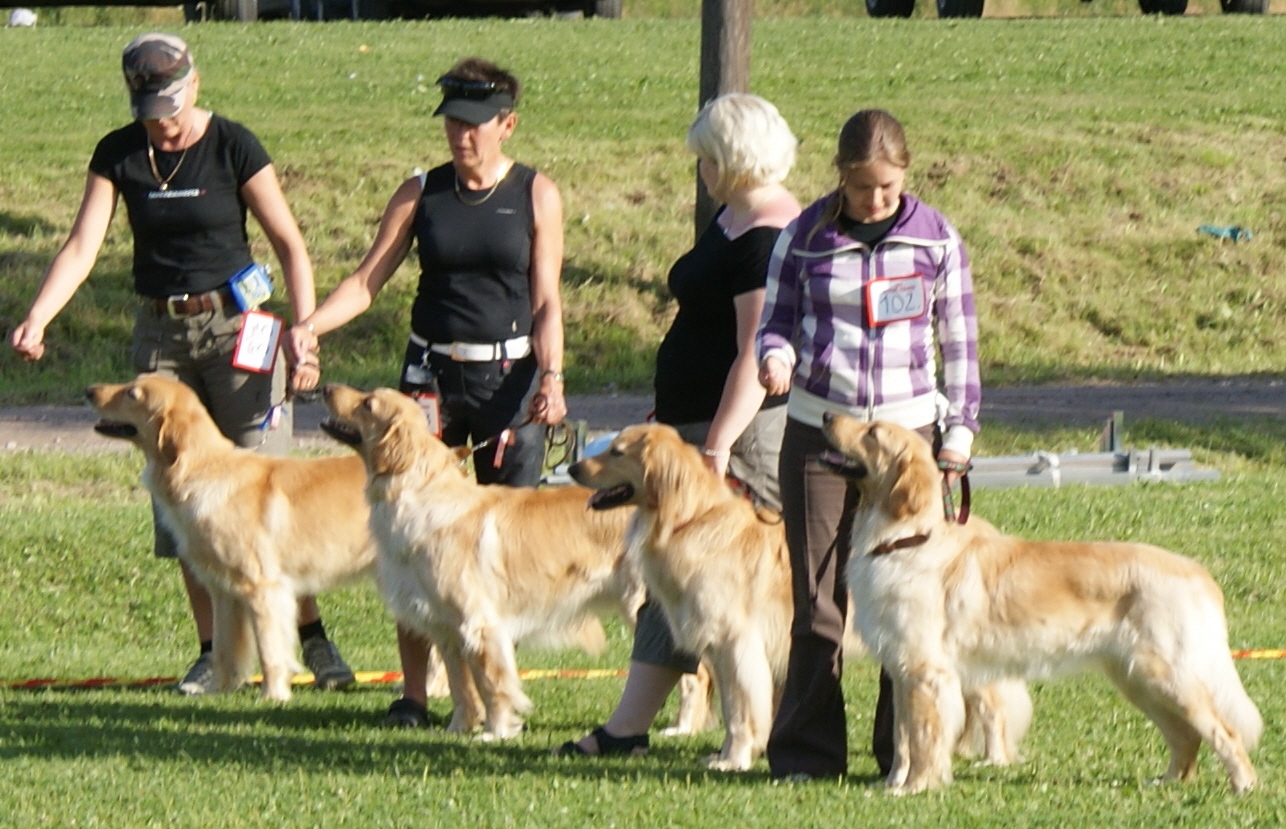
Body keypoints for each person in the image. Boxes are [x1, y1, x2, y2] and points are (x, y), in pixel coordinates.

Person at [7, 33, 355, 695]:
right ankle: (213, 652)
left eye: (169, 105)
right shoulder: (119, 153)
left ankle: (312, 639)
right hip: (160, 335)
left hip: (237, 331)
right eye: (149, 110)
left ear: (194, 84)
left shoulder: (233, 144)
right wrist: (40, 315)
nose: (162, 122)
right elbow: (83, 245)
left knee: (264, 491)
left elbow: (289, 242)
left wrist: (304, 330)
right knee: (182, 493)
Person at [288, 56, 567, 728]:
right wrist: (309, 325)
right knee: (407, 537)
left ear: (507, 125)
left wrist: (553, 378)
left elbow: (548, 299)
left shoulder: (536, 193)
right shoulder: (421, 192)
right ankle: (416, 695)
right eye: (451, 122)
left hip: (509, 380)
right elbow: (367, 280)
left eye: (474, 124)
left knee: (501, 542)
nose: (460, 135)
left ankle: (492, 693)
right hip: (429, 386)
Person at [556, 93, 800, 757]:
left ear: (732, 157)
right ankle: (632, 727)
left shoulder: (767, 234)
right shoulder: (734, 218)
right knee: (670, 575)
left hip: (737, 439)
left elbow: (757, 348)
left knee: (722, 597)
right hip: (690, 431)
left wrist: (717, 444)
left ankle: (745, 733)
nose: (701, 170)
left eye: (706, 158)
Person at [757, 109, 980, 780]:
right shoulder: (805, 234)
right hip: (821, 429)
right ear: (841, 178)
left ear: (904, 174)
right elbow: (777, 319)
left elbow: (960, 342)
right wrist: (775, 356)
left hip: (907, 440)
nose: (876, 199)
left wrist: (959, 431)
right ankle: (807, 753)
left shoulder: (936, 238)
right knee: (818, 600)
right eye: (862, 188)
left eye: (887, 187)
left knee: (903, 600)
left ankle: (902, 752)